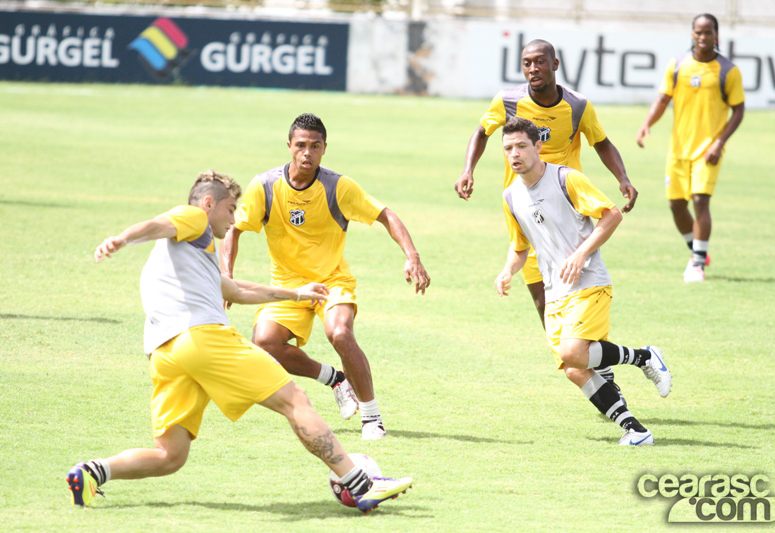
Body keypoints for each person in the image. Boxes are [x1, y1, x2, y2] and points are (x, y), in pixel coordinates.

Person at [66, 170, 412, 513]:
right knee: (294, 400)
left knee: (170, 455)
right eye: (230, 209)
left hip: (164, 353)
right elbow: (158, 224)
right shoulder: (194, 218)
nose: (234, 220)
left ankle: (93, 472)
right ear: (208, 203)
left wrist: (297, 293)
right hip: (203, 339)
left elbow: (236, 290)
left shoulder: (191, 253)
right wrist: (122, 239)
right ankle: (361, 485)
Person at [221, 114, 430, 441]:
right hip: (288, 286)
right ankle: (335, 379)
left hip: (332, 281)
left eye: (315, 146)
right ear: (289, 146)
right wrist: (226, 276)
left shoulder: (338, 187)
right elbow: (234, 229)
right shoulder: (265, 186)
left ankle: (372, 418)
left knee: (340, 333)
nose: (307, 153)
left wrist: (412, 255)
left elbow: (385, 215)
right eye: (301, 145)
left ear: (324, 149)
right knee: (265, 343)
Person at [455, 38, 638, 394]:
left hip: (566, 214)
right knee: (545, 304)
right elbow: (481, 132)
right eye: (527, 63)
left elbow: (602, 142)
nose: (533, 69)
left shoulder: (577, 106)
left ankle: (600, 367)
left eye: (540, 62)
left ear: (555, 64)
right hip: (525, 213)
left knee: (578, 293)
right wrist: (468, 170)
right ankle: (593, 364)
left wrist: (623, 178)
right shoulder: (507, 101)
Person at [494, 118, 671, 446]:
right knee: (573, 368)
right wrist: (507, 270)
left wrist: (580, 254)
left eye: (521, 146)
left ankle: (645, 357)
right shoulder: (511, 196)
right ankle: (636, 431)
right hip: (554, 292)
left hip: (588, 282)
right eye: (508, 148)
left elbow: (611, 215)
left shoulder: (566, 179)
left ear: (538, 147)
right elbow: (520, 247)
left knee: (573, 352)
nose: (514, 154)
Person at [636, 13, 745, 282]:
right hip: (678, 149)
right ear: (692, 34)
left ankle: (697, 265)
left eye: (708, 32)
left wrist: (719, 142)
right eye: (699, 32)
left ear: (716, 35)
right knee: (676, 205)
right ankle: (697, 250)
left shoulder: (728, 71)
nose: (703, 37)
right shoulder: (678, 65)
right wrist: (647, 124)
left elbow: (739, 110)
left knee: (699, 200)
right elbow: (663, 99)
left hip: (708, 151)